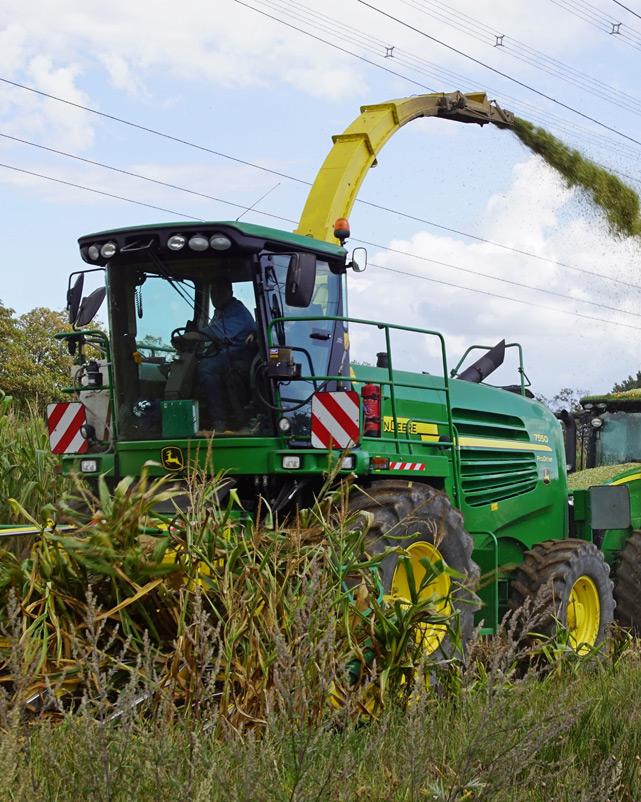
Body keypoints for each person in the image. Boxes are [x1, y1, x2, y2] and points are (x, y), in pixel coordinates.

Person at [173, 278, 256, 428]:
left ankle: (219, 420)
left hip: (240, 355)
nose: (215, 296)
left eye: (220, 292)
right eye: (213, 292)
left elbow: (216, 333)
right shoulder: (220, 312)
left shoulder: (237, 312)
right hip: (224, 354)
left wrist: (189, 336)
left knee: (207, 368)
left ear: (231, 293)